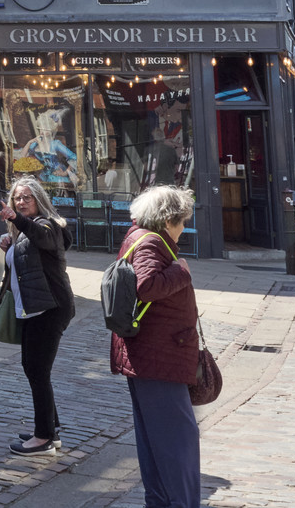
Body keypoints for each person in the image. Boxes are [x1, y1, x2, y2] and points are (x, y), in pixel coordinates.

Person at [111, 185, 202, 508]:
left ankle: (162, 501)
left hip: (149, 354)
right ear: (168, 220)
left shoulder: (139, 237)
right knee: (178, 439)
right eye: (181, 222)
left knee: (155, 437)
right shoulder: (152, 242)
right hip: (159, 355)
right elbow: (147, 286)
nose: (183, 229)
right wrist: (180, 270)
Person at [0, 175, 73, 455]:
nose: (21, 202)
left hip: (49, 308)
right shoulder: (20, 233)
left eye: (27, 197)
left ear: (38, 200)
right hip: (32, 308)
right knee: (32, 368)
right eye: (17, 197)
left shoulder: (46, 224)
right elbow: (22, 270)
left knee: (38, 371)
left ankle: (44, 439)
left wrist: (16, 220)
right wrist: (10, 246)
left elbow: (43, 239)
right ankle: (50, 427)